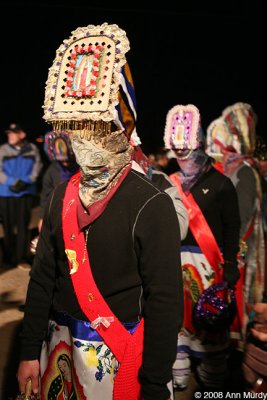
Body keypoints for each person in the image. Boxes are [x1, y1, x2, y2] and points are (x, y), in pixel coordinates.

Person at [17, 23, 184, 400]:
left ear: (120, 127)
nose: (83, 141)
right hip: (59, 350)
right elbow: (43, 277)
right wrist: (28, 352)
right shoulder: (62, 194)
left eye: (95, 129)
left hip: (119, 358)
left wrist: (154, 383)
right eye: (76, 129)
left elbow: (164, 303)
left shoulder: (150, 203)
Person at [163, 104, 241, 390]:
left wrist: (231, 263)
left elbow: (232, 226)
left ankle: (212, 366)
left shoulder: (220, 183)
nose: (182, 153)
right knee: (179, 318)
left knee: (210, 316)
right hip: (176, 264)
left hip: (210, 264)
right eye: (177, 147)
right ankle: (179, 363)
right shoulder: (168, 182)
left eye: (187, 146)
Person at [206, 103, 265, 345]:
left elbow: (240, 217)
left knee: (237, 295)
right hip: (225, 247)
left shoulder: (244, 171)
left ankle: (234, 343)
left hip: (236, 249)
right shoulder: (230, 168)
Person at [0, 123, 42, 269]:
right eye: (9, 133)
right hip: (6, 193)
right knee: (8, 226)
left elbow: (37, 167)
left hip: (25, 193)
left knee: (23, 227)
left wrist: (26, 181)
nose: (10, 136)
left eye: (13, 133)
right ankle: (8, 258)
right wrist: (11, 182)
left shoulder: (32, 149)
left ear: (22, 135)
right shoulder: (3, 150)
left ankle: (21, 259)